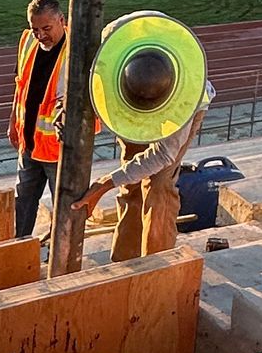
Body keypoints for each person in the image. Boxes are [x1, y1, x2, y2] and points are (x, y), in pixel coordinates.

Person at [81, 76, 217, 258]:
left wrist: (105, 184)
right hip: (130, 98)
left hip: (180, 104)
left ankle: (156, 266)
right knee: (131, 183)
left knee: (158, 184)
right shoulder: (113, 67)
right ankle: (126, 260)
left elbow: (162, 155)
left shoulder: (185, 96)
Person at [8, 0, 66, 237]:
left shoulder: (77, 51)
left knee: (63, 206)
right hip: (29, 142)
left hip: (59, 150)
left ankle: (58, 256)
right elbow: (20, 85)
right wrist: (12, 121)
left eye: (46, 28)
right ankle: (19, 248)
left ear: (62, 20)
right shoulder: (28, 42)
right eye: (35, 29)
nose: (40, 35)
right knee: (23, 201)